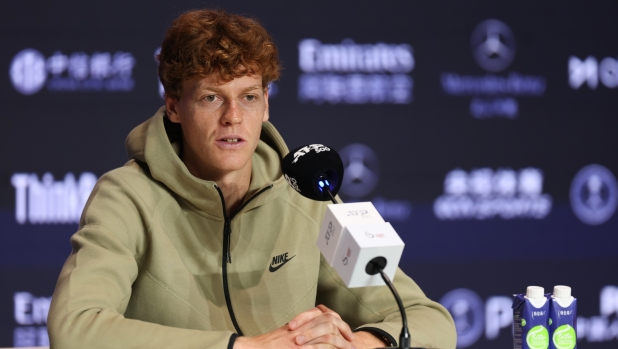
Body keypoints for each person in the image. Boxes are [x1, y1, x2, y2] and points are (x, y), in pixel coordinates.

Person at [47, 8, 456, 349]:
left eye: (248, 96)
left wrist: (357, 343)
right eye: (211, 97)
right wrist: (241, 347)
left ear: (265, 106)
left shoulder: (307, 194)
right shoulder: (126, 196)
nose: (233, 118)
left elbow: (428, 321)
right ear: (174, 106)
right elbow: (75, 327)